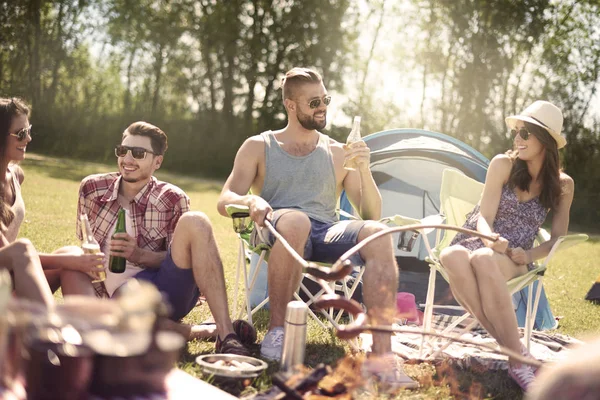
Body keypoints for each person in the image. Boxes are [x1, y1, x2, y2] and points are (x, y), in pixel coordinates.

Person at [217, 67, 416, 389]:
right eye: (314, 102)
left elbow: (371, 212)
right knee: (296, 219)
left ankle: (382, 354)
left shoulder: (338, 152)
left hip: (327, 231)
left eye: (325, 99)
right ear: (291, 105)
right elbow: (224, 198)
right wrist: (251, 202)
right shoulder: (259, 145)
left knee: (378, 234)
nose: (322, 107)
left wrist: (364, 169)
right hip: (278, 229)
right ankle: (279, 331)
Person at [61, 121, 251, 355]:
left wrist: (138, 255)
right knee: (109, 311)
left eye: (138, 153)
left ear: (157, 161)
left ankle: (225, 334)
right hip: (109, 297)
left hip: (158, 290)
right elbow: (85, 241)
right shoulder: (92, 189)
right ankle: (203, 331)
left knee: (197, 221)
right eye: (123, 151)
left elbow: (180, 262)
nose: (127, 159)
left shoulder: (172, 198)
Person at [439, 100, 574, 391]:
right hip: (480, 237)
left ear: (545, 140)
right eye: (516, 132)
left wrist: (528, 254)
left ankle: (515, 362)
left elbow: (557, 238)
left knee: (484, 259)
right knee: (451, 255)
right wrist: (490, 239)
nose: (517, 138)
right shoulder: (503, 164)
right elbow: (483, 218)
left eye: (525, 133)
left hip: (515, 255)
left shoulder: (563, 185)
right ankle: (516, 353)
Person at [0, 97, 105, 293]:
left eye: (28, 130)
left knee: (72, 253)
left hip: (12, 276)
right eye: (21, 133)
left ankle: (84, 323)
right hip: (4, 281)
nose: (29, 138)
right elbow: (9, 254)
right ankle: (55, 322)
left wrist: (74, 260)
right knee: (70, 259)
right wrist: (72, 262)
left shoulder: (16, 175)